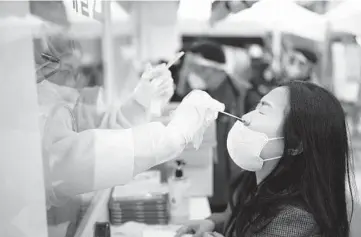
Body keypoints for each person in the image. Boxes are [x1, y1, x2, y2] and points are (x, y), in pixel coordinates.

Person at [34, 34, 225, 236]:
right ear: (41, 67)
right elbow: (69, 160)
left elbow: (102, 132)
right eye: (65, 71)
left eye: (76, 71)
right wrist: (170, 138)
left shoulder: (55, 104)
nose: (75, 80)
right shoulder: (29, 115)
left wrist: (140, 102)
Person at [176, 80, 354, 237]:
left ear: (296, 144)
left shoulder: (295, 218)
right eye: (255, 108)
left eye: (262, 112)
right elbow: (241, 218)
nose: (244, 118)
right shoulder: (255, 183)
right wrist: (214, 223)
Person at [172, 40, 244, 212]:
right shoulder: (200, 95)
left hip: (230, 191)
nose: (189, 73)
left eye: (192, 67)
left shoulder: (240, 96)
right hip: (201, 182)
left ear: (209, 69)